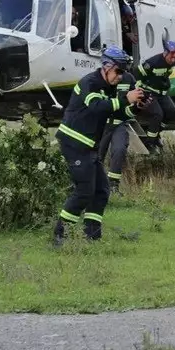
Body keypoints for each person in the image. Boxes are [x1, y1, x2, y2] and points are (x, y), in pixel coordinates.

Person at [53, 46, 145, 245]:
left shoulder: (107, 87)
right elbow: (97, 107)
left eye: (123, 72)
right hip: (74, 143)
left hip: (88, 146)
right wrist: (124, 99)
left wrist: (134, 108)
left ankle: (92, 237)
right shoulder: (90, 83)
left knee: (102, 190)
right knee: (85, 190)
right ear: (106, 66)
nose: (120, 77)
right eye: (118, 71)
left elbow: (115, 113)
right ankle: (60, 235)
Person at [98, 66, 140, 194]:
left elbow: (135, 100)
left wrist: (139, 105)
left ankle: (113, 185)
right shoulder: (99, 79)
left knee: (119, 150)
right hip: (101, 124)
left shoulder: (129, 78)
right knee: (97, 156)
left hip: (120, 124)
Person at [136, 40, 175, 153]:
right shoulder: (152, 63)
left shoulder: (172, 62)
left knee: (172, 111)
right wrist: (138, 92)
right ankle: (150, 143)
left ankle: (155, 134)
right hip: (148, 92)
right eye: (172, 56)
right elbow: (136, 74)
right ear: (165, 53)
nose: (173, 60)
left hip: (162, 93)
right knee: (157, 114)